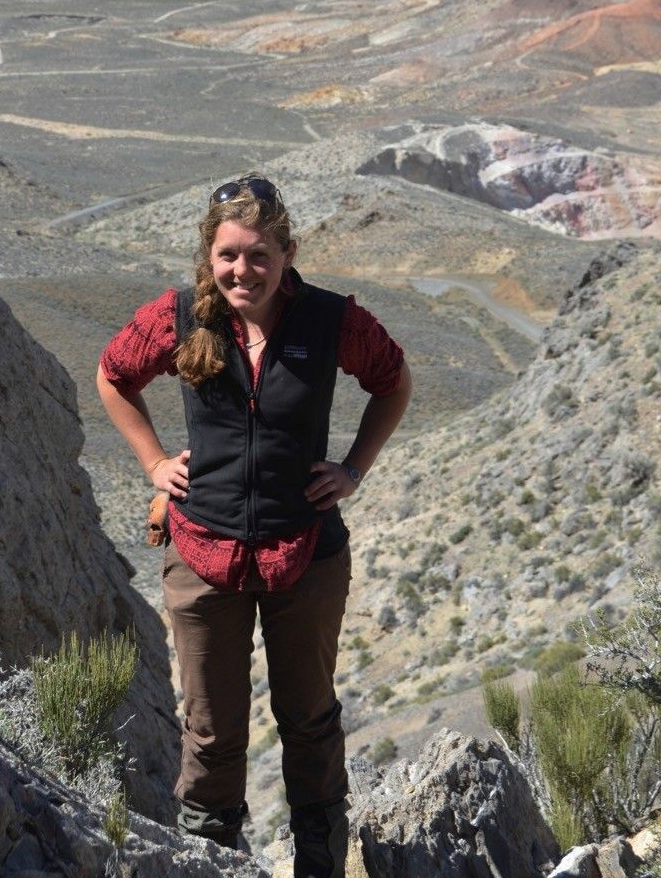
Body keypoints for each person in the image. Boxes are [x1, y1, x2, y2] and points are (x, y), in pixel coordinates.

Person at [97, 174, 411, 878]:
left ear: (288, 251)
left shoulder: (333, 320)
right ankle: (210, 864)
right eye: (229, 255)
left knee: (309, 721)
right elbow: (113, 375)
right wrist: (153, 462)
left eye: (260, 255)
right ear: (209, 254)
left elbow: (393, 381)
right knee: (211, 733)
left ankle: (319, 868)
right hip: (202, 554)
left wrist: (353, 469)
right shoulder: (179, 317)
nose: (244, 271)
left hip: (306, 553)